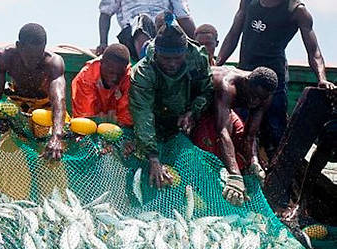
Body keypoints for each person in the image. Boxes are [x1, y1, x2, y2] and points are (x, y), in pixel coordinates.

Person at [217, 0, 336, 160]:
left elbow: (313, 51)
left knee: (275, 134)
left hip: (274, 83)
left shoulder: (297, 11)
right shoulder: (248, 2)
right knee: (238, 129)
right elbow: (233, 35)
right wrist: (217, 65)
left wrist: (322, 78)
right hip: (246, 78)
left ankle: (276, 178)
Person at [129, 21, 213, 189]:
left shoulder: (198, 59)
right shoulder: (144, 72)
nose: (172, 64)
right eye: (166, 58)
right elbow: (143, 113)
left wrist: (192, 112)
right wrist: (152, 157)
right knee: (145, 181)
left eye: (177, 58)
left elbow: (207, 91)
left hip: (182, 124)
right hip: (152, 124)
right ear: (157, 53)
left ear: (185, 53)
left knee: (185, 181)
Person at [191, 66, 278, 206]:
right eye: (253, 95)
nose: (254, 101)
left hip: (226, 112)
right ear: (246, 82)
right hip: (204, 109)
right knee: (209, 149)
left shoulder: (265, 95)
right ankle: (206, 188)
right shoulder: (227, 84)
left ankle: (239, 186)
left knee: (240, 146)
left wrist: (254, 161)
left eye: (259, 99)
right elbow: (223, 131)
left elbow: (249, 136)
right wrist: (234, 174)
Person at [0, 23, 66, 160]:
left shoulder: (54, 63)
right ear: (18, 46)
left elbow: (59, 101)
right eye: (30, 57)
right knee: (7, 150)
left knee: (52, 154)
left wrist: (56, 137)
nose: (34, 62)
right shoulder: (3, 56)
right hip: (16, 106)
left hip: (45, 109)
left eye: (38, 56)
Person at [96, 0, 196, 60]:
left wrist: (198, 44)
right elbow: (105, 14)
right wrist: (103, 43)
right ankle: (147, 61)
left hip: (163, 32)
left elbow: (184, 17)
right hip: (132, 34)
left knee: (169, 22)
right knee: (141, 20)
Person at [72, 43, 133, 127]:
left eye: (119, 74)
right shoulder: (86, 78)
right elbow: (85, 117)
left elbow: (126, 117)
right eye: (111, 72)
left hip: (115, 125)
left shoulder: (129, 78)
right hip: (91, 121)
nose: (114, 78)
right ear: (102, 63)